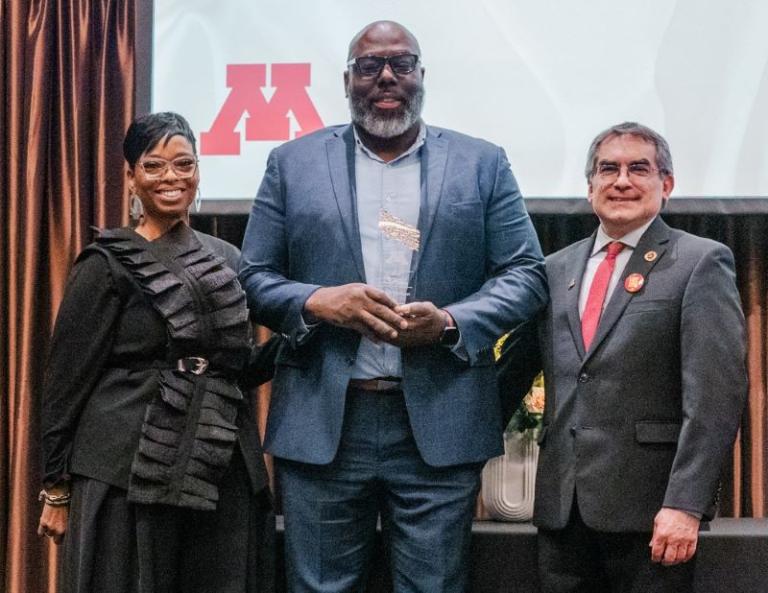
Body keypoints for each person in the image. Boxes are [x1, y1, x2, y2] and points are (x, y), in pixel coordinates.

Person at [239, 19, 547, 593]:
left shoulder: (482, 163)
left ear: (421, 76)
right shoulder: (292, 162)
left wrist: (451, 323)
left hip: (437, 422)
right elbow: (252, 278)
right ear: (347, 79)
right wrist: (319, 302)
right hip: (325, 423)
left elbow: (526, 274)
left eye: (401, 64)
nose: (386, 77)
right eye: (370, 65)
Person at [500, 122, 747, 593]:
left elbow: (716, 397)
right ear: (589, 185)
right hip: (562, 512)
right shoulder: (554, 270)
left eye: (639, 168)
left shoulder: (700, 261)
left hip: (652, 516)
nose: (621, 181)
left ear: (666, 184)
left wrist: (686, 505)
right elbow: (508, 377)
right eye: (607, 169)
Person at [37, 112, 275, 593]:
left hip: (215, 460)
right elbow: (66, 382)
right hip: (127, 466)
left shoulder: (226, 259)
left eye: (183, 164)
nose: (171, 177)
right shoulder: (105, 262)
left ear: (199, 170)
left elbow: (234, 369)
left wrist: (310, 329)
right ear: (130, 177)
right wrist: (56, 488)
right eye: (154, 166)